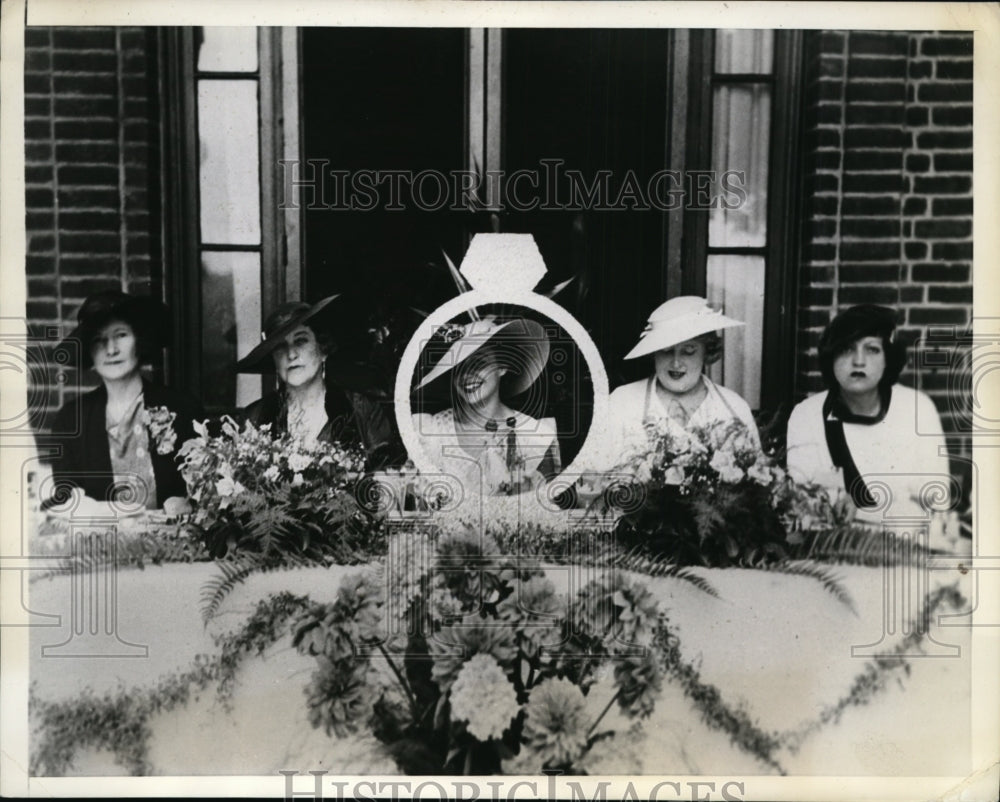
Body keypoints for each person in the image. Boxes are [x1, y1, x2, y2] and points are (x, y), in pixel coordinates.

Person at [786, 304, 956, 529]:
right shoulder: (806, 416)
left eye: (872, 349)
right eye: (846, 349)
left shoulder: (917, 409)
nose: (858, 361)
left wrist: (862, 511)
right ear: (831, 357)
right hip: (832, 552)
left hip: (909, 550)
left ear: (888, 358)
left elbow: (936, 503)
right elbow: (801, 507)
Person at [43, 290, 203, 511]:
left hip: (175, 543)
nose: (111, 350)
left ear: (140, 340)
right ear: (90, 351)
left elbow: (209, 492)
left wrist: (189, 503)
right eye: (99, 340)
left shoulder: (184, 409)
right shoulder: (71, 421)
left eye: (121, 335)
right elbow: (67, 501)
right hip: (101, 543)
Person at [589, 296, 760, 475]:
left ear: (707, 352)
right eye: (666, 351)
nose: (676, 363)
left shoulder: (734, 407)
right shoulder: (621, 402)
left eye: (688, 351)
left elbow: (755, 485)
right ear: (654, 353)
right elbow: (592, 479)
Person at [236, 296, 403, 469]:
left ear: (322, 349)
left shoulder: (362, 410)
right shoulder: (254, 417)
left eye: (300, 340)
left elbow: (386, 482)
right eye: (280, 346)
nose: (291, 354)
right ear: (274, 360)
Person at [411, 317, 561, 496]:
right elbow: (417, 504)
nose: (467, 375)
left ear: (502, 367)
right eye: (459, 367)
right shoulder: (431, 430)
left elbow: (547, 513)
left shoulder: (536, 434)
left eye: (479, 363)